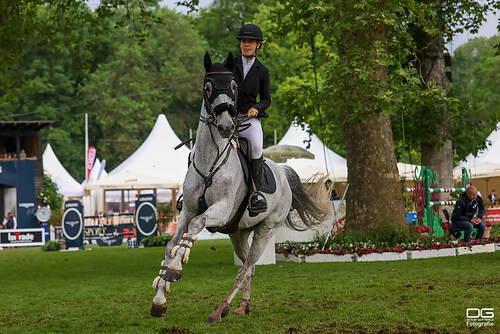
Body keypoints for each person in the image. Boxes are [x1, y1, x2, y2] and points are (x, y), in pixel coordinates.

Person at [233, 23, 271, 216]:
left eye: (251, 42)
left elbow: (266, 99)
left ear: (258, 45)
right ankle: (188, 192)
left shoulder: (263, 71)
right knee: (200, 146)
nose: (246, 45)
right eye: (244, 41)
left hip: (248, 118)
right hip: (228, 115)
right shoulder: (230, 64)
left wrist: (256, 107)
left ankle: (255, 194)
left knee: (256, 146)